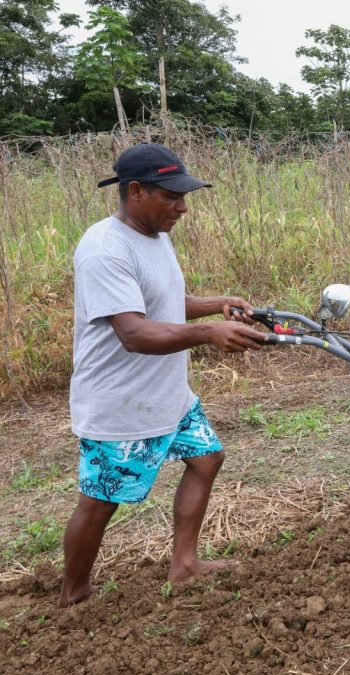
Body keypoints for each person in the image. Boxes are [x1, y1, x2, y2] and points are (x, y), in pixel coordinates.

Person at [59, 142, 267, 607]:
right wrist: (209, 331)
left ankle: (185, 565)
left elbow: (160, 301)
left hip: (168, 395)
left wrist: (214, 304)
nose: (182, 207)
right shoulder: (103, 250)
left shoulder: (154, 235)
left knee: (207, 458)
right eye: (171, 196)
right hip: (121, 402)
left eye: (184, 195)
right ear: (136, 191)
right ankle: (73, 595)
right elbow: (133, 331)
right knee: (100, 500)